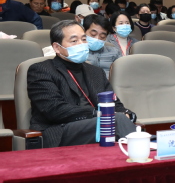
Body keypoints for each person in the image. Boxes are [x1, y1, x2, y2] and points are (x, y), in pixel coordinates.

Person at [26, 20, 136, 148]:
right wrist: (97, 113)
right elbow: (54, 110)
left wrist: (128, 114)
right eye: (74, 41)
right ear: (57, 47)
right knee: (115, 120)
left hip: (96, 126)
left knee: (121, 119)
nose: (81, 44)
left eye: (84, 39)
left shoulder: (96, 72)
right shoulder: (41, 70)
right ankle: (143, 152)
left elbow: (115, 104)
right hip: (60, 130)